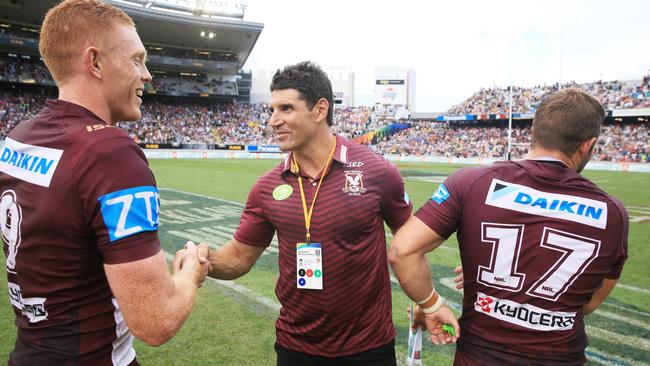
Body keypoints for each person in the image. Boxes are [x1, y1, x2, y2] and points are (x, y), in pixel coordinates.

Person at [0, 1, 209, 364]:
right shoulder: (110, 153)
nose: (147, 75)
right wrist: (190, 272)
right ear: (94, 62)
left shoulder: (20, 136)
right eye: (136, 59)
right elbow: (156, 321)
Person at [388, 88, 629, 365]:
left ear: (532, 132)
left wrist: (433, 304)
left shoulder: (472, 182)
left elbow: (401, 251)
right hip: (559, 357)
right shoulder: (613, 213)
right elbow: (586, 304)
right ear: (587, 144)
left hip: (479, 357)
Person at [198, 61, 412, 366]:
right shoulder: (266, 187)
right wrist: (205, 260)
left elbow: (411, 239)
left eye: (286, 108)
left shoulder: (377, 172)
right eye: (272, 110)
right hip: (296, 347)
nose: (273, 120)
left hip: (369, 348)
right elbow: (239, 258)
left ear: (320, 109)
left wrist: (425, 301)